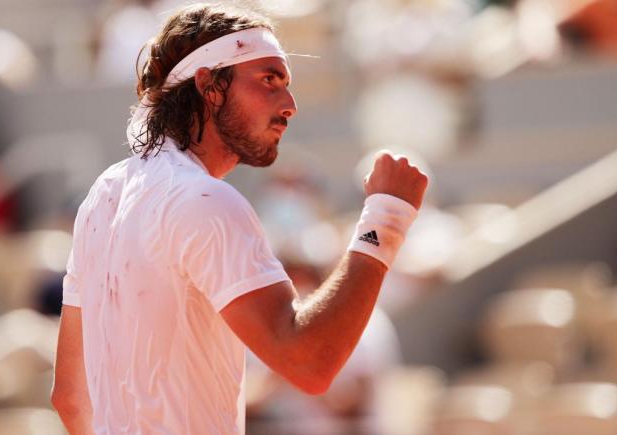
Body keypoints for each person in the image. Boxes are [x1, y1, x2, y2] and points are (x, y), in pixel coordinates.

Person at [51, 3, 428, 434]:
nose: (290, 105)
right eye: (269, 80)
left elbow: (70, 398)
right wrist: (387, 216)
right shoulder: (206, 200)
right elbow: (309, 364)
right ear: (210, 87)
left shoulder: (105, 195)